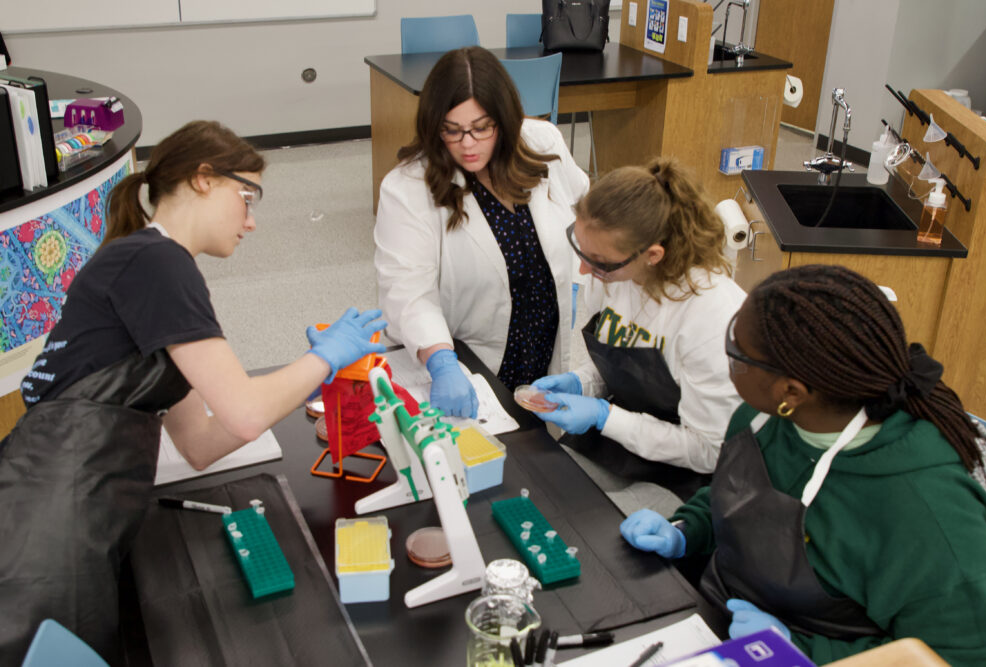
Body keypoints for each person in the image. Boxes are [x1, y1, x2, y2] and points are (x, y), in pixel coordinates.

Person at [0, 120, 386, 663]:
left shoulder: (150, 265)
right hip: (48, 524)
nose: (251, 223)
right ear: (203, 178)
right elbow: (246, 414)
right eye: (247, 196)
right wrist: (322, 358)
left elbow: (201, 441)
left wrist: (310, 380)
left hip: (80, 505)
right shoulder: (157, 261)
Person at [619, 264, 986, 666]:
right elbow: (741, 495)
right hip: (716, 612)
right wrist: (688, 529)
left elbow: (971, 658)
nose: (728, 359)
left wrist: (796, 651)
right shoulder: (762, 418)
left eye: (735, 353)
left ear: (791, 391)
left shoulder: (926, 512)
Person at [374, 46, 590, 418]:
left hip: (543, 345)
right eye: (452, 130)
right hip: (467, 358)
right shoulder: (408, 187)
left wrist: (581, 277)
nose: (468, 144)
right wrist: (441, 360)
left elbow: (584, 214)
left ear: (504, 120)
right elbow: (407, 290)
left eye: (481, 128)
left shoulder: (543, 143)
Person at [530, 158, 745, 499]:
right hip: (620, 436)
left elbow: (710, 450)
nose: (584, 271)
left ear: (653, 255)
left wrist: (605, 417)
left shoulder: (711, 316)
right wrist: (583, 382)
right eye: (581, 251)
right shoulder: (618, 274)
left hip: (685, 468)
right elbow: (624, 355)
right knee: (540, 489)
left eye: (598, 261)